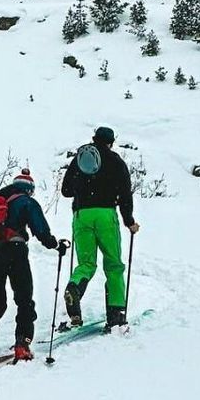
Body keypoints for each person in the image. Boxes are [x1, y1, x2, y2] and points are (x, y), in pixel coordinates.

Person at [0, 169, 60, 362]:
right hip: (16, 252)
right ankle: (22, 344)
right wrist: (54, 244)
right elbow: (41, 229)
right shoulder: (26, 202)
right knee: (24, 300)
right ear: (29, 189)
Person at [61, 126, 139, 332]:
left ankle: (74, 288)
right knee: (113, 265)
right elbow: (125, 194)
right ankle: (115, 314)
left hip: (82, 215)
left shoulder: (80, 158)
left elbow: (66, 190)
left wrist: (83, 187)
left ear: (94, 138)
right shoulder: (116, 161)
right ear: (111, 142)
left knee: (86, 263)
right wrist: (129, 221)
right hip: (106, 215)